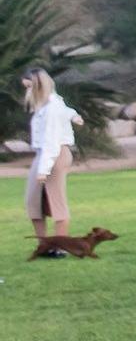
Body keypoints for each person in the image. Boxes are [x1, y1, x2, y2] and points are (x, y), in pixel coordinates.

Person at [21, 67, 83, 244]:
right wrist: (74, 116)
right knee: (33, 202)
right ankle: (44, 244)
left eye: (29, 86)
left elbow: (51, 141)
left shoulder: (52, 108)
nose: (27, 91)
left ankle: (61, 245)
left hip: (54, 154)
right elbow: (67, 110)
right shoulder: (47, 105)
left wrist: (44, 170)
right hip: (44, 155)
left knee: (56, 200)